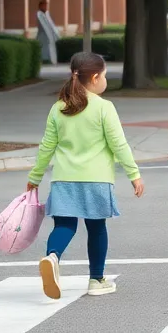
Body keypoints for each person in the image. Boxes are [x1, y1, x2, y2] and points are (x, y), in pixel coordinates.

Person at [27, 52, 144, 299]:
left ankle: (52, 257)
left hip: (64, 178)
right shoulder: (104, 108)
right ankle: (96, 279)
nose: (105, 81)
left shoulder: (59, 107)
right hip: (96, 179)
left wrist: (35, 177)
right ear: (94, 77)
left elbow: (47, 146)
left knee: (64, 225)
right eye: (104, 76)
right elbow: (119, 144)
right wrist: (134, 174)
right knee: (96, 228)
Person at [36, 0, 60, 65]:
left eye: (47, 5)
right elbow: (44, 26)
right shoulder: (39, 14)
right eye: (45, 5)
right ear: (41, 6)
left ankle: (52, 62)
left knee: (51, 50)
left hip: (49, 36)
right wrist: (50, 35)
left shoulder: (47, 13)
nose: (46, 7)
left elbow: (51, 24)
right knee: (43, 50)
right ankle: (43, 62)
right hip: (43, 36)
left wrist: (56, 33)